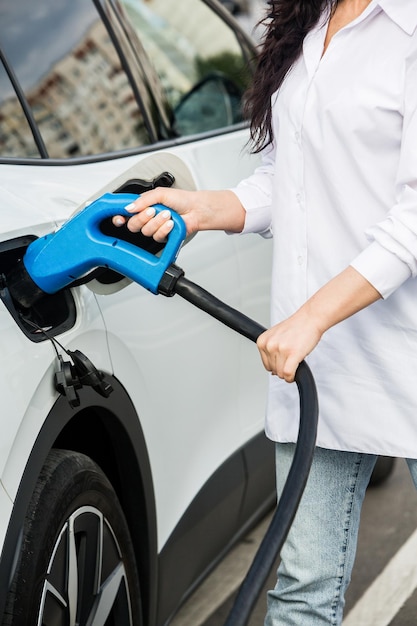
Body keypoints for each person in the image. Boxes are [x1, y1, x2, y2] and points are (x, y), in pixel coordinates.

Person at [113, 0, 417, 623]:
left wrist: (310, 317)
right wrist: (201, 209)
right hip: (325, 367)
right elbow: (289, 180)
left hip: (400, 352)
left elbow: (413, 223)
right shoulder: (308, 22)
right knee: (301, 592)